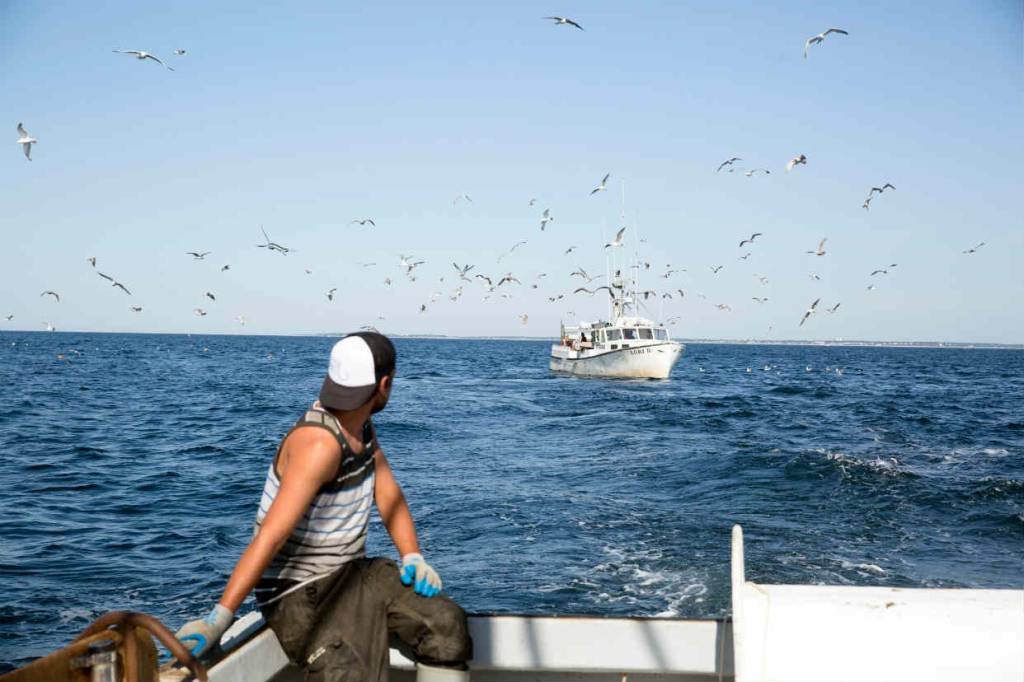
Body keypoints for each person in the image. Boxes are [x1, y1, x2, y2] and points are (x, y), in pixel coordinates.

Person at [175, 332, 472, 681]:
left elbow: (390, 497)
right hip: (297, 592)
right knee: (350, 670)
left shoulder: (361, 427)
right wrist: (219, 619)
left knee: (446, 626)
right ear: (385, 383)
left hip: (351, 572)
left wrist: (412, 556)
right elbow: (270, 537)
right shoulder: (319, 444)